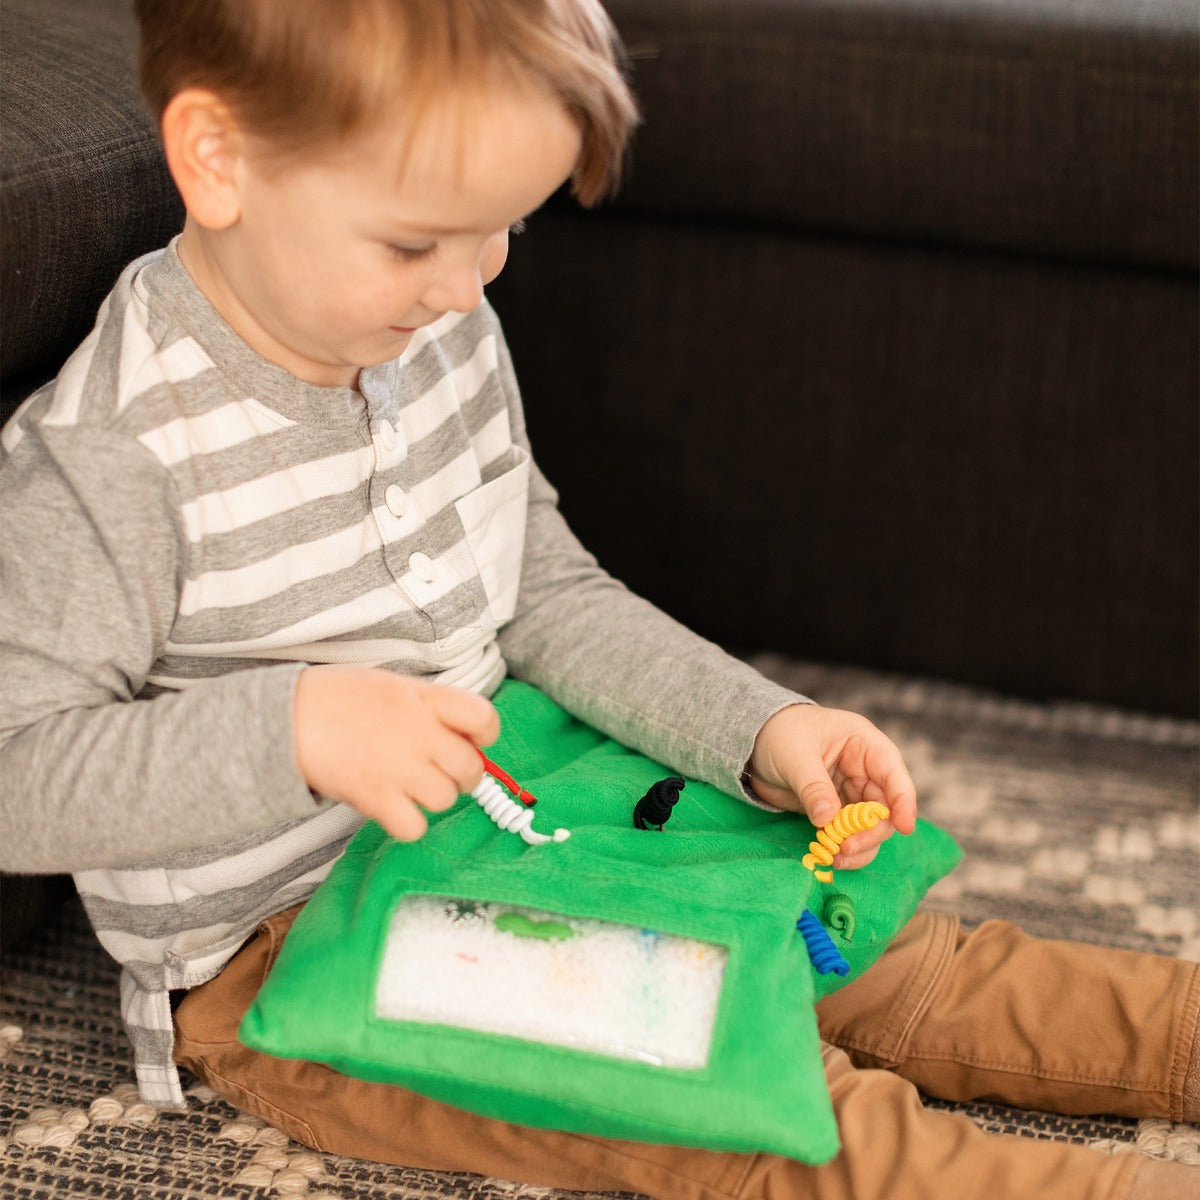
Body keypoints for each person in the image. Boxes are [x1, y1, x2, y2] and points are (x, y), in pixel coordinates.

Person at [0, 2, 1193, 1197]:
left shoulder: (437, 327)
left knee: (906, 961)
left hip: (538, 807)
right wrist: (297, 731)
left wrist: (756, 728)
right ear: (218, 158)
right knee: (755, 1111)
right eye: (416, 243)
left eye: (501, 231)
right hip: (296, 944)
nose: (464, 289)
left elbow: (547, 594)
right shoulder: (111, 456)